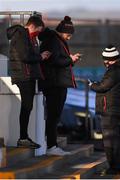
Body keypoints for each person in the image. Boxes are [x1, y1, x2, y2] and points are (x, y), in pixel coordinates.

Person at [38, 16, 81, 155]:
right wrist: (70, 59)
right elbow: (54, 61)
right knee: (53, 115)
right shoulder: (54, 41)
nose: (69, 38)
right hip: (54, 84)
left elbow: (56, 59)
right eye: (68, 35)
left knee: (54, 116)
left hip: (55, 82)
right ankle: (51, 146)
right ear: (62, 32)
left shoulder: (55, 41)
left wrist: (70, 60)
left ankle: (51, 145)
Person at [88, 45, 120, 175]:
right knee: (113, 139)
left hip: (110, 110)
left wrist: (92, 85)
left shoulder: (115, 71)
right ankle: (115, 166)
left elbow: (103, 87)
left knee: (110, 140)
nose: (105, 63)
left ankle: (114, 168)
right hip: (115, 109)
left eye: (107, 60)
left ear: (110, 59)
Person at [7, 16, 50, 148]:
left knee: (28, 106)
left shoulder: (26, 36)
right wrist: (41, 57)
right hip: (23, 76)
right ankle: (23, 138)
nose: (37, 34)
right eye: (38, 31)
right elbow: (25, 56)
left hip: (27, 75)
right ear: (32, 26)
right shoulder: (21, 35)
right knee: (26, 106)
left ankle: (24, 137)